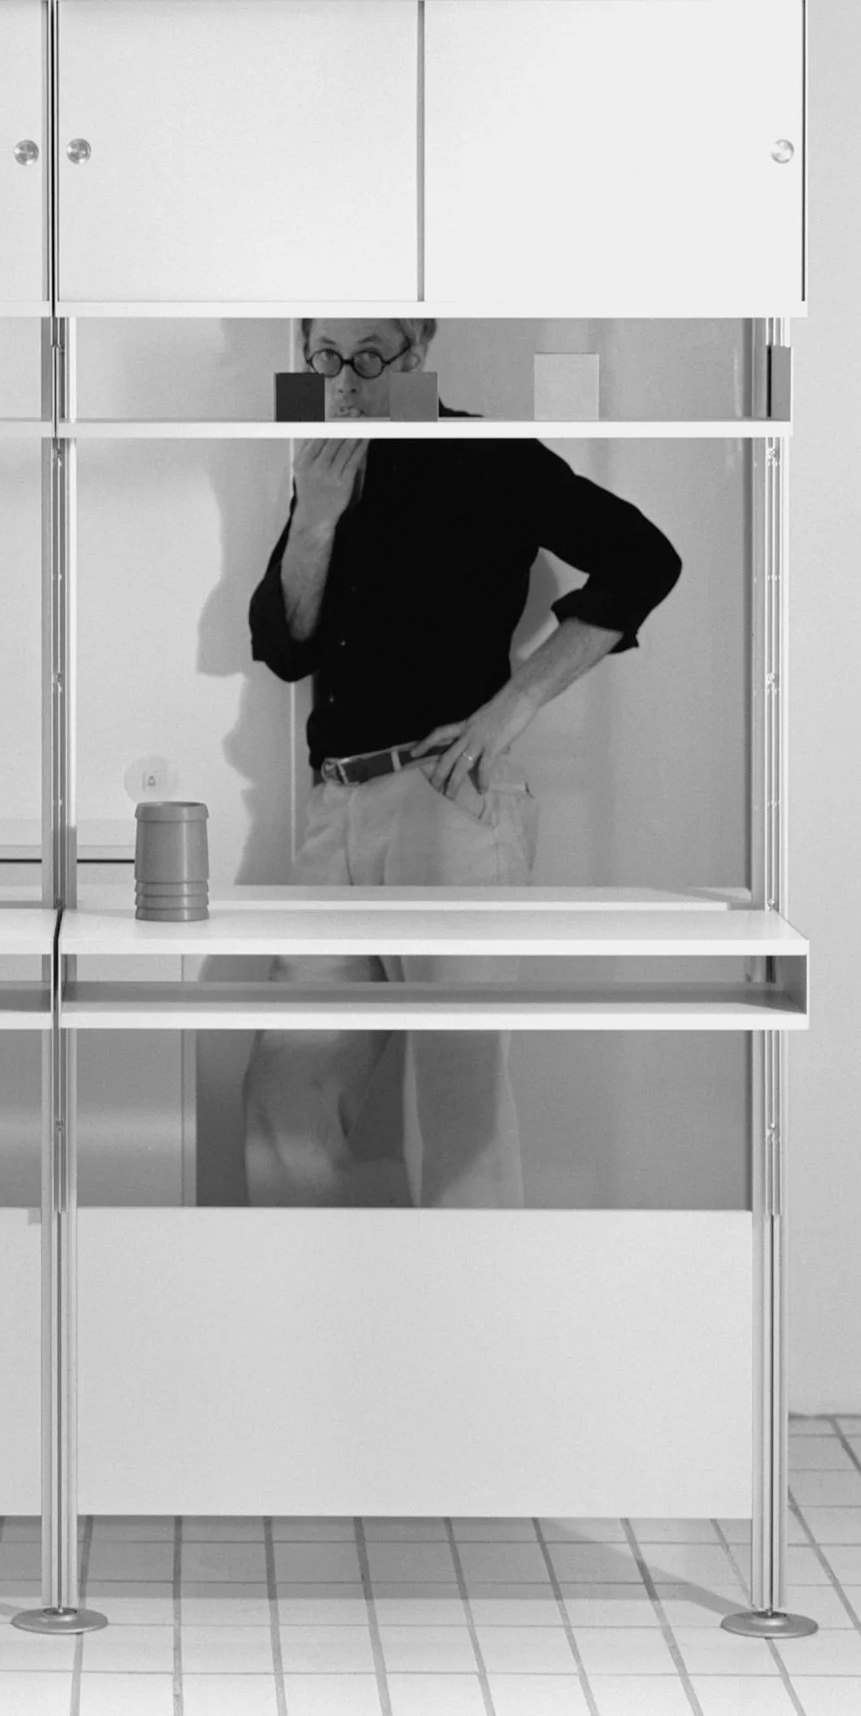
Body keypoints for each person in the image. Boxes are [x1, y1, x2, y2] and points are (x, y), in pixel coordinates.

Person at [242, 318, 683, 1207]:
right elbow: (284, 647)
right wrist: (316, 523)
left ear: (419, 353)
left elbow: (646, 559)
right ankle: (289, 1316)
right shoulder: (324, 469)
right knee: (290, 1086)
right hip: (337, 808)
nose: (349, 380)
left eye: (371, 355)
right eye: (327, 356)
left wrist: (514, 706)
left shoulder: (488, 452)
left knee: (460, 1102)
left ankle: (473, 1327)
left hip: (450, 801)